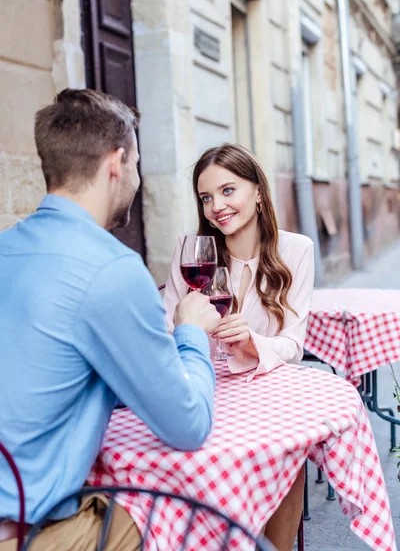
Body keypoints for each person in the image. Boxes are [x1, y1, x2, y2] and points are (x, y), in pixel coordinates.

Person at [0, 89, 220, 551]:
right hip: (29, 533)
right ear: (116, 162)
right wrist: (192, 334)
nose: (139, 180)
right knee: (183, 510)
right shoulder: (112, 269)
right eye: (137, 164)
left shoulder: (6, 248)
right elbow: (188, 424)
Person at [163, 143, 315, 551]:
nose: (217, 206)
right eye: (206, 197)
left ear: (258, 193)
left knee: (287, 454)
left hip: (266, 392)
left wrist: (251, 342)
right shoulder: (192, 253)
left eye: (228, 191)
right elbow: (166, 331)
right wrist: (188, 329)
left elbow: (292, 344)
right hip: (206, 386)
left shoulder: (296, 250)